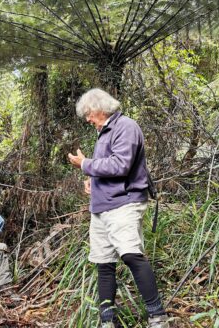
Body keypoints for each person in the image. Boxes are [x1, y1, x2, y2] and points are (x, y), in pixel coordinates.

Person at [68, 88, 170, 328]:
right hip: (101, 207)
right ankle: (107, 321)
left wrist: (85, 164)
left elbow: (120, 165)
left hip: (125, 203)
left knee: (131, 255)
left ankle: (157, 316)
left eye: (88, 114)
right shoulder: (103, 133)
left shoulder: (126, 127)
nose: (87, 119)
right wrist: (92, 181)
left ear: (98, 109)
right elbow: (106, 168)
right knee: (103, 264)